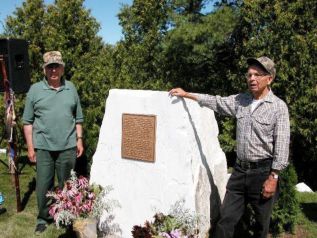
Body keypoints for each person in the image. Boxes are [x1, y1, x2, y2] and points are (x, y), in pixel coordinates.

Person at [169, 56, 290, 238]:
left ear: (269, 79)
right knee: (225, 221)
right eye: (249, 74)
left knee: (260, 224)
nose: (252, 79)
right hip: (240, 172)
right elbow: (215, 102)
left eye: (257, 75)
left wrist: (273, 177)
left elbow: (281, 144)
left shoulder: (278, 107)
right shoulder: (241, 100)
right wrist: (187, 94)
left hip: (263, 173)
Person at [22, 51, 84, 234]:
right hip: (43, 147)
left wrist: (79, 140)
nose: (54, 70)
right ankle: (44, 217)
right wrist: (31, 147)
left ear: (63, 68)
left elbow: (78, 118)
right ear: (45, 70)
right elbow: (27, 122)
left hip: (68, 146)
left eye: (57, 66)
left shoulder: (71, 88)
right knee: (43, 185)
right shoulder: (35, 90)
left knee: (67, 185)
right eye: (50, 67)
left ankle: (66, 216)